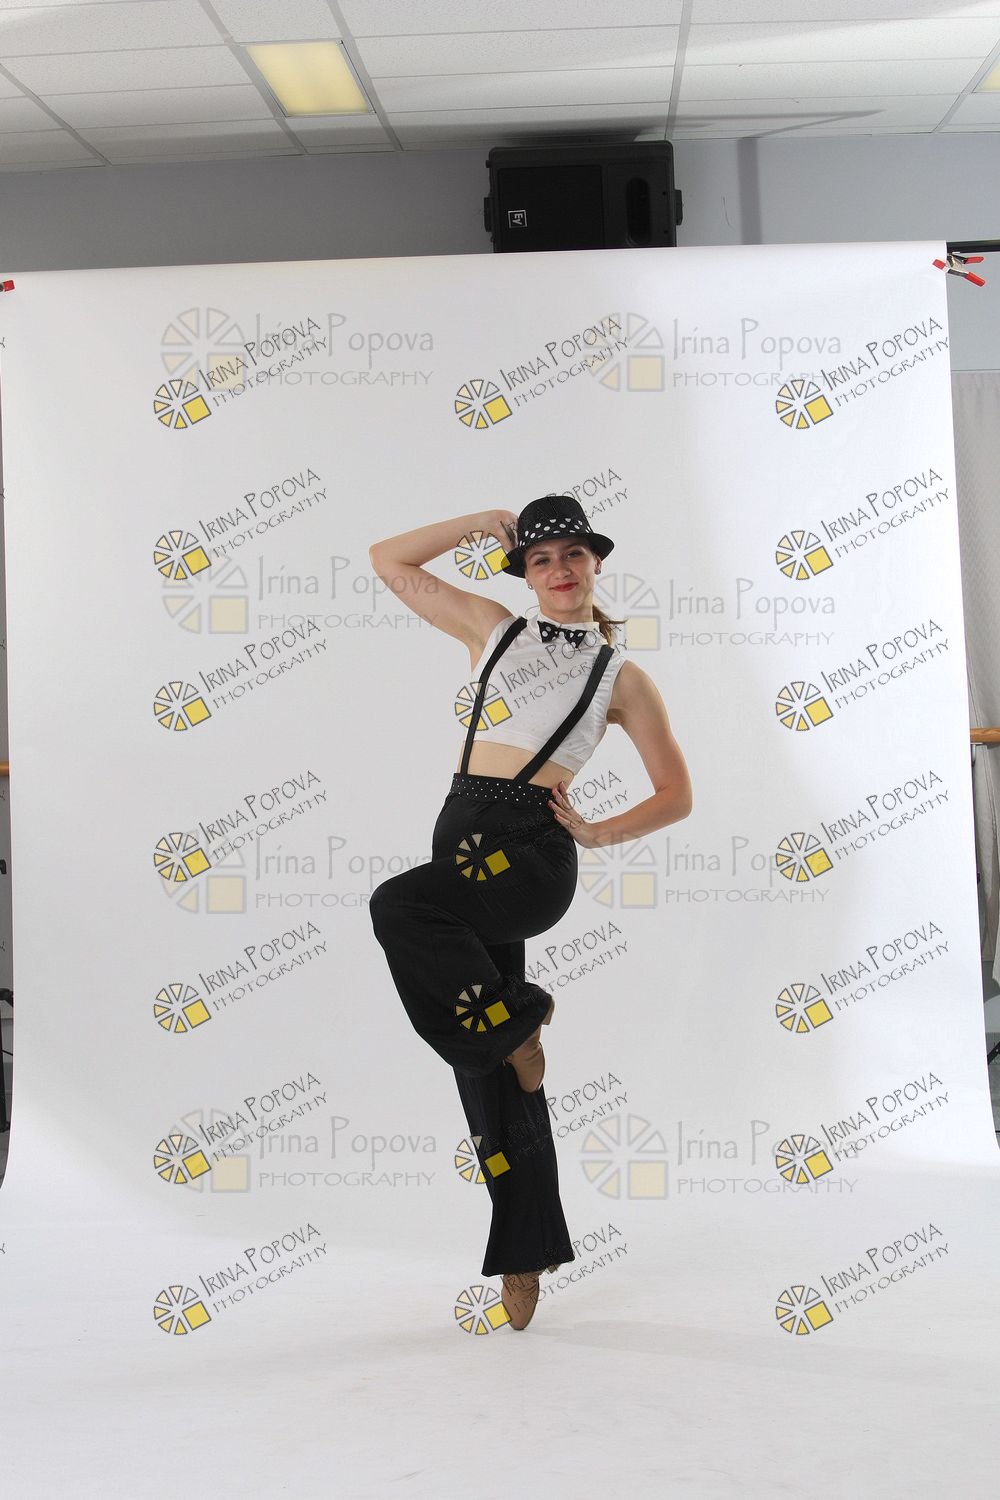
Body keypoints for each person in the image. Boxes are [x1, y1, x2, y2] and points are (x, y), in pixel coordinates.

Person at [368, 495, 692, 1330]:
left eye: (573, 554)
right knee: (484, 1071)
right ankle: (524, 1253)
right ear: (524, 572)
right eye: (542, 558)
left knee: (396, 903)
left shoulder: (621, 677)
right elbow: (388, 559)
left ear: (595, 563)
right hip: (460, 841)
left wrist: (599, 831)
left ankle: (521, 1020)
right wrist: (477, 522)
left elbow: (676, 794)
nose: (559, 570)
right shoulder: (493, 629)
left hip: (527, 854)